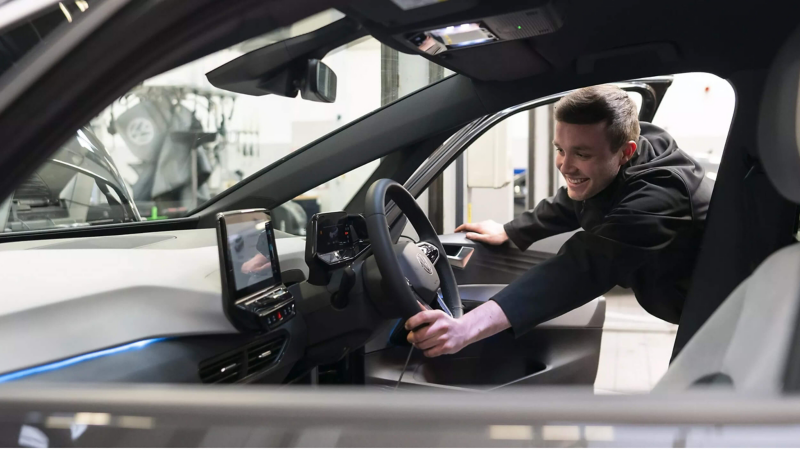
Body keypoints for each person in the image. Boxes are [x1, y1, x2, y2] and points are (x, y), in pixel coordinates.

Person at [405, 85, 713, 357]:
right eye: (560, 149)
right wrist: (511, 230)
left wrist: (466, 328)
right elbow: (580, 194)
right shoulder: (633, 143)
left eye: (581, 154)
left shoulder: (657, 199)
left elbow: (576, 270)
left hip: (711, 305)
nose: (565, 165)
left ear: (625, 152)